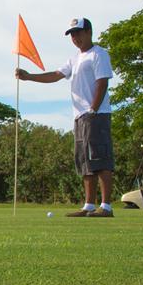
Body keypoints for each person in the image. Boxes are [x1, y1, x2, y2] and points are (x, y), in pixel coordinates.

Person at [16, 17, 115, 217]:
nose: (75, 38)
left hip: (96, 115)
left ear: (89, 32)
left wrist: (94, 109)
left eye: (78, 33)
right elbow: (55, 75)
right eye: (72, 35)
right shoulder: (74, 59)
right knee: (84, 160)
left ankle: (106, 206)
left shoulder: (99, 54)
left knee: (100, 159)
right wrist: (29, 77)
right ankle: (89, 205)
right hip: (80, 116)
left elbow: (102, 82)